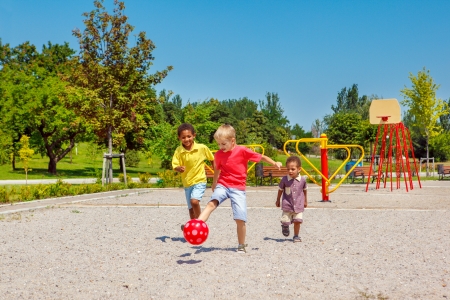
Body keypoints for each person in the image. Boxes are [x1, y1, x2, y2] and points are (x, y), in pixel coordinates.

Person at [197, 124, 282, 253]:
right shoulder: (219, 154)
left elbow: (261, 157)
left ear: (232, 141)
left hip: (238, 188)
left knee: (240, 218)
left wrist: (275, 163)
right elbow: (217, 169)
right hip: (223, 185)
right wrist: (214, 183)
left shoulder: (242, 151)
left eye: (223, 144)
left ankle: (241, 244)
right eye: (218, 144)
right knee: (211, 203)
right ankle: (197, 225)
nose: (220, 147)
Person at [172, 123, 214, 224]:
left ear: (194, 135)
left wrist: (217, 172)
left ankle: (200, 222)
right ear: (179, 138)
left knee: (194, 201)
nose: (186, 139)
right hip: (187, 183)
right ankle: (193, 227)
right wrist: (179, 168)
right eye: (183, 137)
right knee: (191, 209)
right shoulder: (179, 151)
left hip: (200, 180)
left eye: (189, 136)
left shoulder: (201, 148)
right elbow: (175, 165)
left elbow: (212, 159)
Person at [275, 155, 308, 242]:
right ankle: (285, 226)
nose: (290, 171)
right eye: (288, 169)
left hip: (299, 205)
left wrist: (305, 201)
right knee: (285, 221)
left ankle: (296, 236)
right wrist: (278, 200)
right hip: (287, 205)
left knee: (298, 221)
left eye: (293, 169)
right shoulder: (285, 179)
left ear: (299, 169)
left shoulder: (303, 180)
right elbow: (280, 190)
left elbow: (304, 190)